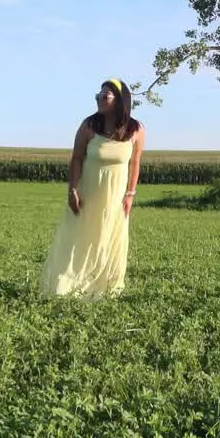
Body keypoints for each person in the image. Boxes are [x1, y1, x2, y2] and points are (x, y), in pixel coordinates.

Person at [38, 78, 146, 299]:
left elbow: (135, 163)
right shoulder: (89, 126)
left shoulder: (136, 129)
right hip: (87, 193)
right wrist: (73, 191)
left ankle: (104, 288)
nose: (99, 99)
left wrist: (130, 194)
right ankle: (66, 286)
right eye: (97, 96)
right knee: (80, 239)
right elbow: (76, 158)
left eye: (104, 96)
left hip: (115, 198)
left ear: (119, 100)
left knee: (108, 239)